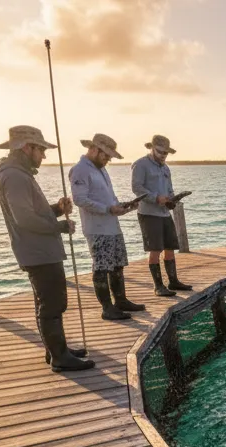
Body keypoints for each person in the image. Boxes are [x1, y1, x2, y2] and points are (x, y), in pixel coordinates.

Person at [0, 125, 94, 373]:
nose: (44, 156)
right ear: (27, 148)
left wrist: (57, 209)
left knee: (48, 302)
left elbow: (33, 213)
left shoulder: (18, 174)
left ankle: (56, 351)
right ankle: (59, 356)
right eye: (41, 150)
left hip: (38, 250)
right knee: (52, 303)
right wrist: (59, 227)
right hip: (38, 252)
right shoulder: (15, 177)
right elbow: (24, 219)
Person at [70, 133, 146, 320]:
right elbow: (79, 199)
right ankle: (107, 308)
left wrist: (122, 207)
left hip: (112, 225)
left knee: (118, 265)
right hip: (97, 228)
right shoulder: (80, 170)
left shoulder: (101, 169)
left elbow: (108, 198)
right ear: (94, 149)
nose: (108, 159)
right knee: (102, 268)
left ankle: (120, 301)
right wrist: (107, 208)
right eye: (106, 155)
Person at [131, 135, 192, 296]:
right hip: (149, 213)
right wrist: (156, 198)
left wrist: (171, 200)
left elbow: (169, 188)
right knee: (155, 249)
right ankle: (158, 286)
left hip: (164, 213)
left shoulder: (166, 168)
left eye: (166, 153)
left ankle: (173, 281)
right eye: (160, 152)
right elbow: (136, 188)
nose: (163, 155)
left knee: (170, 246)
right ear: (151, 148)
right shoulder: (140, 164)